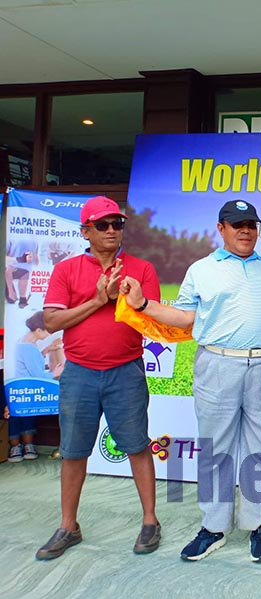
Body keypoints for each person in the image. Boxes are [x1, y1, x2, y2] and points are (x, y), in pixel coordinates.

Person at [120, 199, 261, 563]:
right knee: (216, 448)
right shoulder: (201, 269)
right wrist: (142, 304)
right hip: (217, 363)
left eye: (251, 225)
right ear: (221, 228)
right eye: (237, 224)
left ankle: (258, 525)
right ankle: (213, 527)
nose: (246, 230)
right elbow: (183, 317)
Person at [36, 195, 161, 559]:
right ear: (85, 230)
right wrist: (97, 300)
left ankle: (150, 520)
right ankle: (67, 526)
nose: (112, 230)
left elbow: (153, 324)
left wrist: (134, 302)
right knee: (74, 452)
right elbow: (52, 322)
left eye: (117, 224)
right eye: (103, 224)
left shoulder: (141, 269)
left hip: (126, 370)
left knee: (137, 445)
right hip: (79, 373)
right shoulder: (67, 270)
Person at [7, 311, 65, 462]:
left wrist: (47, 350)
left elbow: (28, 362)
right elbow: (37, 376)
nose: (48, 333)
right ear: (38, 330)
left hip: (18, 387)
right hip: (30, 387)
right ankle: (26, 445)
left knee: (17, 415)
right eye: (47, 330)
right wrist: (55, 372)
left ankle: (16, 446)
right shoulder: (30, 348)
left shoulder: (22, 342)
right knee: (28, 415)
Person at [6, 239, 39, 308]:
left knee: (25, 274)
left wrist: (34, 257)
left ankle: (22, 298)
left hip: (24, 268)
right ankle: (11, 292)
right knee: (10, 269)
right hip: (10, 268)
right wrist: (10, 291)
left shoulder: (35, 241)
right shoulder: (10, 238)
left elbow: (36, 262)